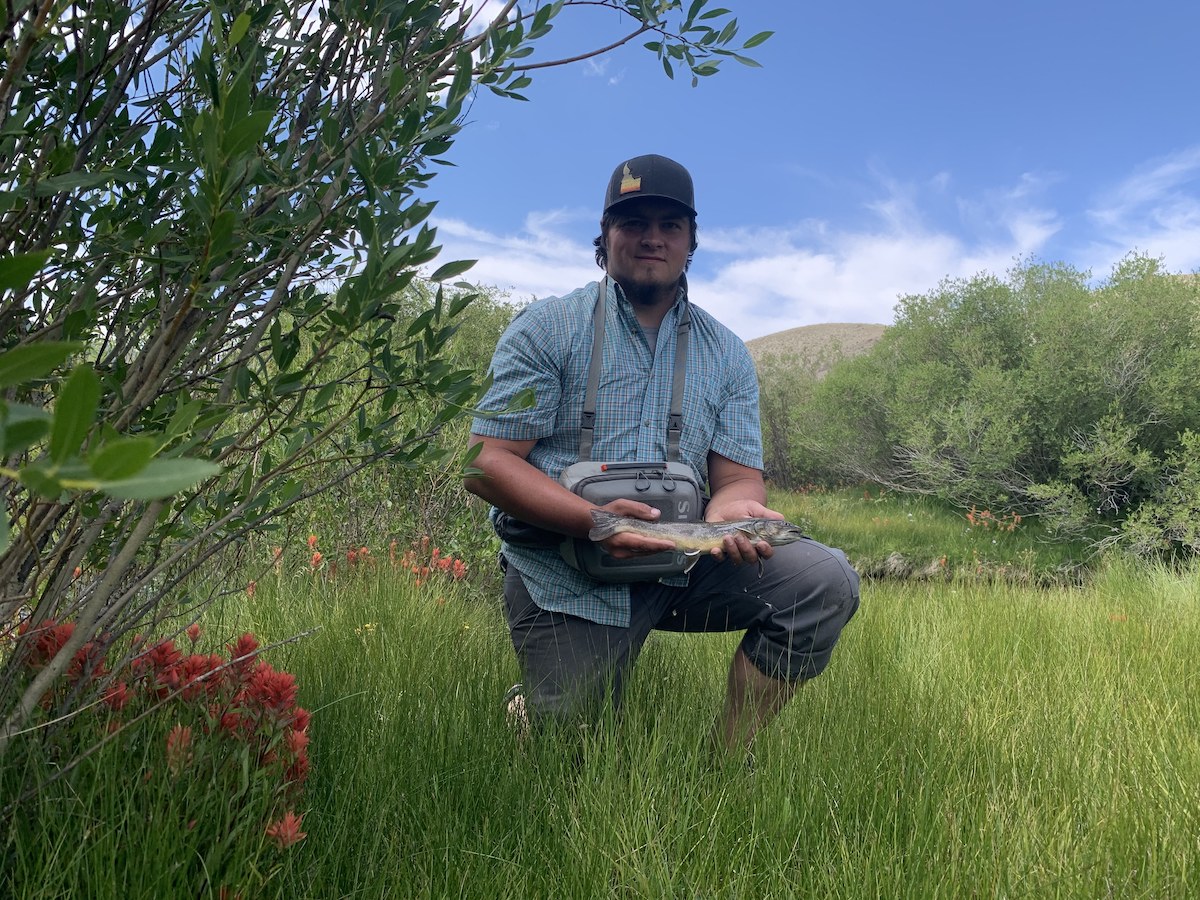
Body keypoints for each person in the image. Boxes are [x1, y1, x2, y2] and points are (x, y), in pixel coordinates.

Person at [464, 154, 859, 752]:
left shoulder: (725, 352)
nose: (652, 237)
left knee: (825, 582)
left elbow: (739, 480)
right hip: (564, 571)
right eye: (633, 222)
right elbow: (485, 462)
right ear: (605, 236)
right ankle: (538, 705)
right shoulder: (546, 328)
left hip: (684, 564)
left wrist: (732, 512)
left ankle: (727, 758)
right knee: (571, 754)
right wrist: (596, 521)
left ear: (691, 241)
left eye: (670, 225)